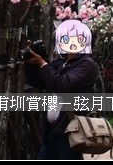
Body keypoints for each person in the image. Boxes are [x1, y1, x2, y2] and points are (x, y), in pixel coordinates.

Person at [25, 19, 98, 160]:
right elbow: (38, 81)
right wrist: (32, 63)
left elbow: (62, 84)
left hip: (70, 131)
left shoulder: (87, 65)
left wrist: (42, 63)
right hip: (51, 133)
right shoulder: (60, 62)